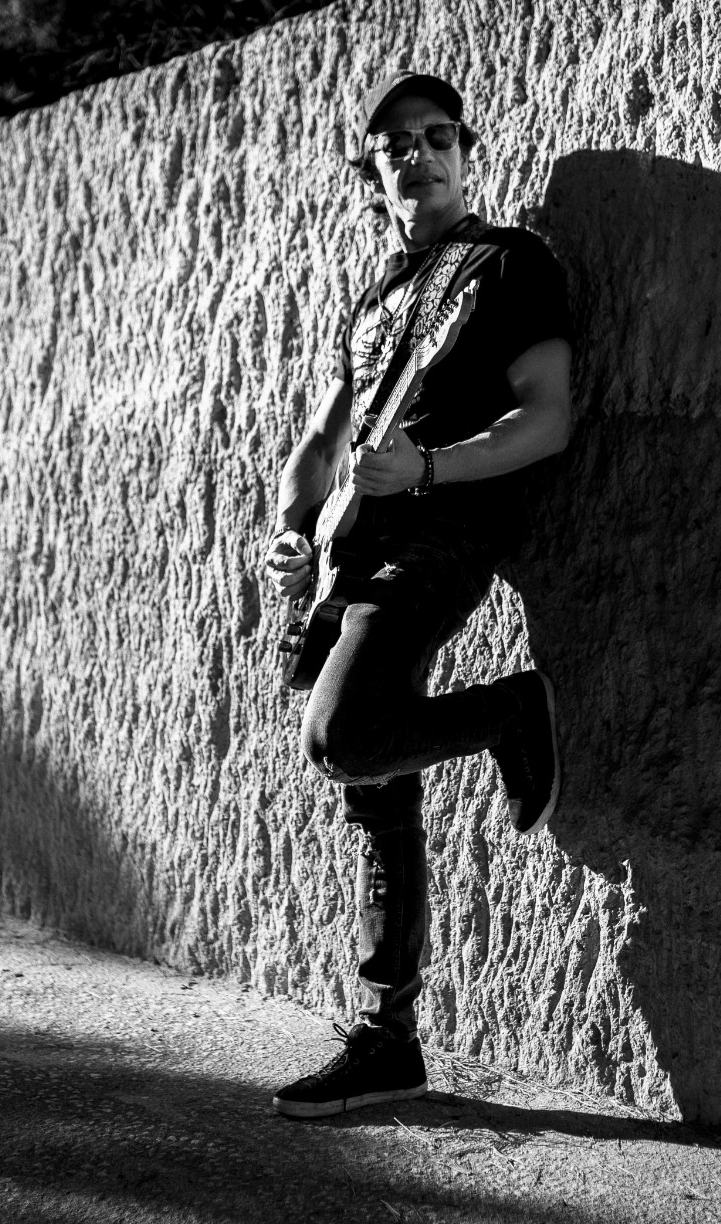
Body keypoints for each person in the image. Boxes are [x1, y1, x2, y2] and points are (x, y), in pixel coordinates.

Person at [260, 71, 575, 1118]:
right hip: (351, 555)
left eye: (439, 135)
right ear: (374, 172)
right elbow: (321, 443)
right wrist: (292, 531)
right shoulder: (376, 299)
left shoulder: (509, 263)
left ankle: (513, 710)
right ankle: (388, 1038)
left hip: (441, 539)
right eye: (396, 142)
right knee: (377, 799)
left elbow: (548, 418)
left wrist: (429, 469)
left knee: (343, 737)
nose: (419, 153)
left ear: (465, 153)